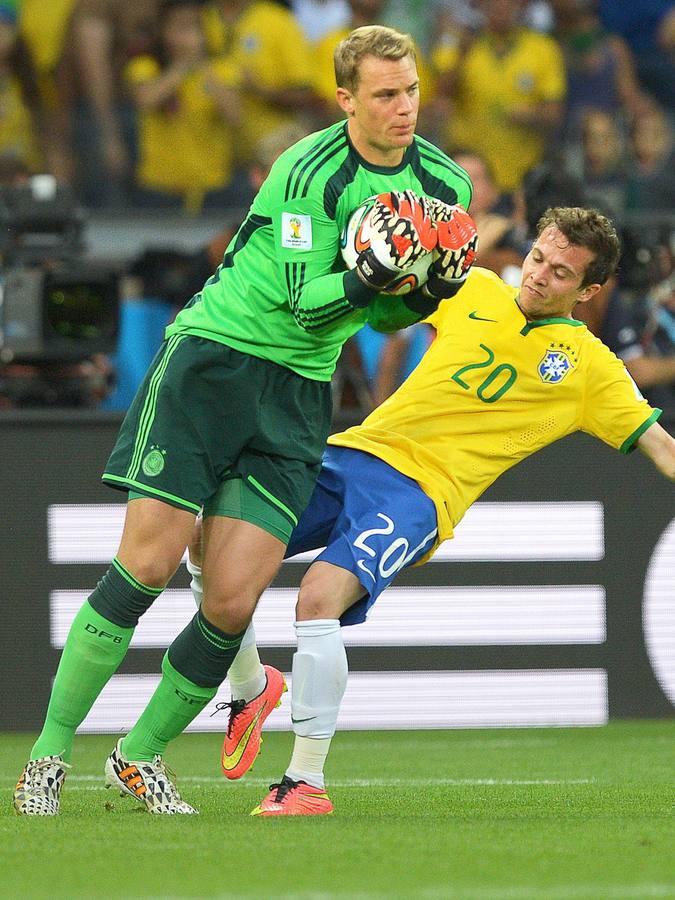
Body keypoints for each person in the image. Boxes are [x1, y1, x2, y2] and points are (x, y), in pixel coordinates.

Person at [13, 24, 475, 817]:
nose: (404, 109)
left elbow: (390, 316)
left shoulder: (443, 186)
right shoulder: (306, 170)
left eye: (411, 93)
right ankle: (47, 757)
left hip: (297, 396)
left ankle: (139, 756)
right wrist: (373, 271)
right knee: (148, 565)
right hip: (215, 362)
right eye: (385, 96)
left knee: (229, 603)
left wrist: (430, 286)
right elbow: (307, 300)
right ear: (345, 100)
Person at [188, 206, 675, 815]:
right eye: (537, 259)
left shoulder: (591, 369)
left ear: (589, 291)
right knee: (207, 542)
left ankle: (304, 782)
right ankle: (252, 690)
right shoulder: (472, 288)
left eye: (560, 273)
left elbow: (660, 447)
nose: (539, 276)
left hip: (419, 495)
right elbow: (392, 304)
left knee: (317, 599)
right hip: (353, 455)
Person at [125, 0, 241, 215]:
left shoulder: (222, 69)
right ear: (163, 32)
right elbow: (146, 99)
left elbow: (234, 115)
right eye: (181, 28)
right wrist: (184, 66)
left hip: (212, 188)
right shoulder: (146, 67)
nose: (190, 36)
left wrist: (203, 69)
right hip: (159, 189)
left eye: (196, 27)